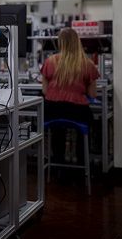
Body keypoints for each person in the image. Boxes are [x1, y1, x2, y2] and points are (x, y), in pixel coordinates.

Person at [40, 27, 99, 163]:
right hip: (77, 111)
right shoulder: (87, 64)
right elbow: (92, 94)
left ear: (60, 43)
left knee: (57, 131)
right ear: (77, 42)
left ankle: (57, 165)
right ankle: (81, 165)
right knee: (87, 125)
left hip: (53, 110)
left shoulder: (50, 61)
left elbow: (45, 91)